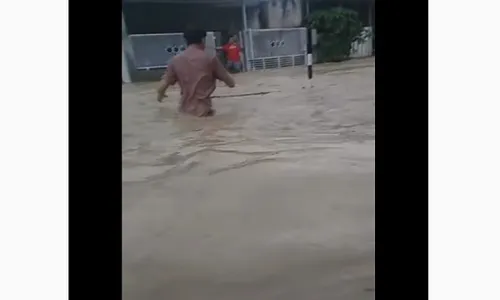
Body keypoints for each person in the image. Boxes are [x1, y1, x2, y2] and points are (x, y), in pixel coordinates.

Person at [157, 30, 235, 117]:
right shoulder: (210, 58)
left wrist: (161, 95)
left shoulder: (175, 60)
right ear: (203, 40)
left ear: (186, 41)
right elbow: (231, 83)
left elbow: (161, 87)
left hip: (184, 113)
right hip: (204, 113)